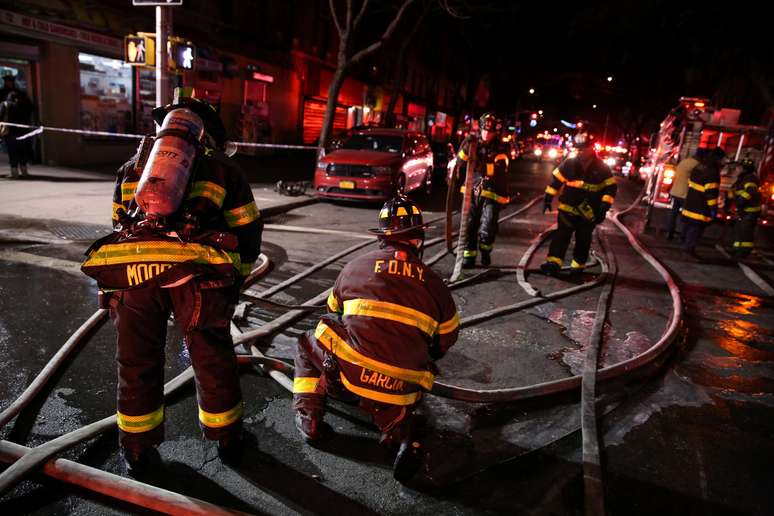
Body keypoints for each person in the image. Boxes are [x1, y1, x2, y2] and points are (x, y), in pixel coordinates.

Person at [81, 93, 262, 474]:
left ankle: (136, 448)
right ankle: (227, 439)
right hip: (199, 280)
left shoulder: (133, 169)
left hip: (136, 277)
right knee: (211, 357)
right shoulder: (223, 169)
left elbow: (119, 227)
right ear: (207, 133)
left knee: (136, 360)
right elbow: (247, 231)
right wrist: (236, 280)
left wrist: (120, 289)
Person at [292, 195, 460, 483]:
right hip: (405, 384)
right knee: (393, 393)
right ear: (418, 240)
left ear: (383, 236)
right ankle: (400, 432)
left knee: (311, 338)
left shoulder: (356, 266)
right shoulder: (434, 283)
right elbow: (445, 342)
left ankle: (310, 419)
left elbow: (333, 311)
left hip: (353, 371)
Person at [540, 127, 616, 275]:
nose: (580, 152)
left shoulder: (602, 168)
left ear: (591, 148)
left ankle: (578, 266)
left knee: (583, 240)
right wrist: (548, 198)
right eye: (578, 149)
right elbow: (556, 181)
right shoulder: (569, 164)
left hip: (588, 213)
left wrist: (604, 206)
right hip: (567, 209)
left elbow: (611, 188)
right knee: (561, 236)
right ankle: (553, 263)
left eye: (583, 149)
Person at [452, 112, 511, 268]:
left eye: (490, 132)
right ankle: (469, 257)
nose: (486, 134)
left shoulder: (501, 147)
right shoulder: (473, 143)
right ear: (480, 129)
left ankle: (485, 251)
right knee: (469, 225)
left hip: (492, 193)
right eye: (484, 130)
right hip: (472, 192)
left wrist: (481, 166)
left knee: (488, 226)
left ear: (495, 132)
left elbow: (500, 169)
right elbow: (461, 161)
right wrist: (466, 146)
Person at [681, 147, 724, 259]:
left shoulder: (699, 166)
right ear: (718, 159)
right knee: (695, 230)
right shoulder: (713, 171)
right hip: (700, 207)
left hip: (690, 203)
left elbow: (691, 182)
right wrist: (713, 209)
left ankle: (685, 248)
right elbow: (711, 192)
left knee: (689, 228)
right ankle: (688, 251)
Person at [665, 150, 704, 240]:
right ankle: (682, 236)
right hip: (685, 194)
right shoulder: (697, 165)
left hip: (675, 192)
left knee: (673, 213)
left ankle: (669, 232)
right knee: (687, 216)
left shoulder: (684, 161)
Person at [727, 158, 762, 258]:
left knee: (745, 232)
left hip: (750, 211)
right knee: (739, 230)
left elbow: (750, 191)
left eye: (739, 167)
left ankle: (744, 252)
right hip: (744, 210)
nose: (737, 169)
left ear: (745, 169)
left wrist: (740, 201)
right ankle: (737, 249)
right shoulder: (743, 178)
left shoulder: (750, 178)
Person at [0, 91, 34, 178]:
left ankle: (14, 172)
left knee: (12, 152)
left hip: (10, 132)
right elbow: (28, 116)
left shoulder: (5, 104)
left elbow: (1, 116)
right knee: (22, 151)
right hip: (23, 132)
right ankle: (24, 172)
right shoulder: (22, 105)